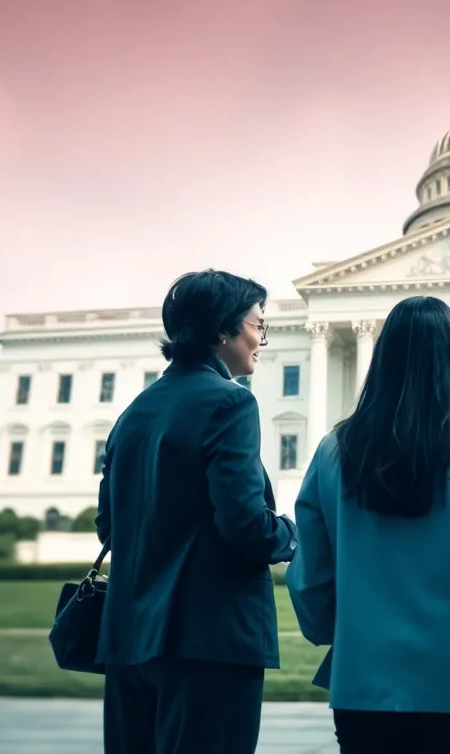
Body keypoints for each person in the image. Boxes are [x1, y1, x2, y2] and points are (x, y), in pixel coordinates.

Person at [286, 296, 450, 754]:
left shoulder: (334, 451)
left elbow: (310, 581)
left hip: (364, 682)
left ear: (383, 357)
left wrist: (347, 627)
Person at [95, 270, 297, 754]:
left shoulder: (135, 411)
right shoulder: (229, 403)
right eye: (258, 325)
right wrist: (292, 534)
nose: (261, 340)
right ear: (222, 330)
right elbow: (245, 525)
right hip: (209, 640)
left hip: (129, 638)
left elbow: (109, 525)